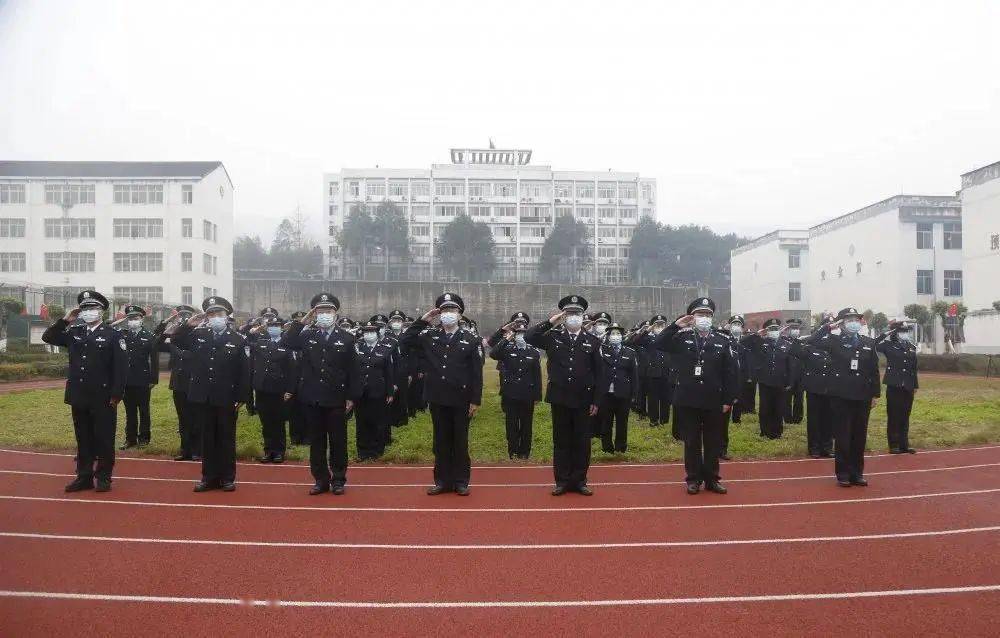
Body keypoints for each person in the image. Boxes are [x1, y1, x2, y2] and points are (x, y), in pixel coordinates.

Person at [41, 290, 128, 493]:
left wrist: (117, 394)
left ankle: (104, 476)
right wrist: (65, 320)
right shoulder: (75, 332)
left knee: (104, 437)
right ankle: (84, 476)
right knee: (83, 437)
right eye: (85, 308)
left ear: (102, 311)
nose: (89, 312)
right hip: (79, 395)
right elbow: (49, 337)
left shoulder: (113, 335)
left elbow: (121, 368)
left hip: (104, 396)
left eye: (93, 308)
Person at [400, 293, 483, 496]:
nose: (448, 314)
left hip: (461, 398)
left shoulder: (471, 339)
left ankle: (461, 481)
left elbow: (476, 373)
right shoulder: (429, 336)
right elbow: (405, 340)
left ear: (460, 314)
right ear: (438, 313)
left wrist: (475, 400)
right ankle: (442, 481)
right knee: (441, 441)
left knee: (460, 441)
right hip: (437, 397)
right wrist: (424, 319)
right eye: (444, 310)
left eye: (452, 310)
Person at [653, 297, 738, 495]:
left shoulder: (722, 340)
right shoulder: (681, 337)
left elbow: (730, 371)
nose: (704, 318)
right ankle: (693, 479)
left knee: (712, 441)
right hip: (687, 399)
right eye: (700, 314)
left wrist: (728, 399)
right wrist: (675, 325)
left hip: (713, 400)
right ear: (692, 316)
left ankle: (712, 479)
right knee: (691, 441)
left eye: (708, 314)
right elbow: (658, 343)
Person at [525, 295, 601, 496]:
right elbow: (529, 336)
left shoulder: (592, 341)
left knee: (582, 442)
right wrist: (551, 321)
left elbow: (599, 372)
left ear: (583, 316)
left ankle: (580, 481)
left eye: (577, 313)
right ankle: (562, 481)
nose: (573, 317)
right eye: (569, 313)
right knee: (561, 441)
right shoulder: (553, 336)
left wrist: (596, 400)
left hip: (584, 399)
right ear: (563, 316)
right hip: (560, 397)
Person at [172, 296, 250, 492]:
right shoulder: (198, 335)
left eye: (219, 314)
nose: (216, 317)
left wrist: (242, 398)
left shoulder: (238, 339)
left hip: (226, 397)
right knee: (207, 438)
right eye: (212, 314)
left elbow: (244, 371)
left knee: (226, 438)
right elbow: (175, 340)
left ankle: (227, 478)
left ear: (227, 316)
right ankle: (208, 477)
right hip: (202, 396)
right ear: (206, 317)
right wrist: (188, 325)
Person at [281, 293, 357, 495]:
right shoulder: (307, 335)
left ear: (336, 313)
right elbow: (287, 342)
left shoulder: (347, 338)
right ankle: (321, 479)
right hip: (311, 398)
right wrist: (303, 321)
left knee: (338, 441)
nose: (325, 314)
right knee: (316, 442)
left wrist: (351, 396)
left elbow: (354, 370)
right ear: (314, 314)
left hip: (336, 399)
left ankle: (338, 479)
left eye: (328, 311)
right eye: (320, 311)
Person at [801, 307, 880, 487]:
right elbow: (808, 343)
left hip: (862, 396)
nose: (854, 322)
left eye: (856, 319)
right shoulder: (833, 341)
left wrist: (875, 394)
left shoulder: (868, 342)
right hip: (841, 395)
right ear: (841, 323)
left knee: (859, 437)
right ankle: (843, 474)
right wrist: (827, 328)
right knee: (843, 436)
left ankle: (857, 473)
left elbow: (873, 370)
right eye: (849, 319)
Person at [489, 313, 542, 459]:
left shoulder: (533, 352)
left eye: (523, 333)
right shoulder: (507, 349)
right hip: (510, 392)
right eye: (518, 333)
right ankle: (512, 449)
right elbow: (493, 353)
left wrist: (537, 395)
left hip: (527, 393)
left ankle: (524, 451)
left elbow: (537, 375)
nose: (521, 335)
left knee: (526, 424)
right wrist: (507, 337)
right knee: (511, 423)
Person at [247, 316, 296, 463]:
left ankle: (279, 451)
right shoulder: (261, 343)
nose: (274, 327)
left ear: (282, 327)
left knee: (278, 421)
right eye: (271, 325)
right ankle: (268, 450)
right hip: (262, 389)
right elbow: (246, 339)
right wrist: (256, 329)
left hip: (279, 390)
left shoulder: (287, 344)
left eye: (276, 325)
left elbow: (292, 371)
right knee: (266, 421)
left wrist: (290, 390)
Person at [154, 305, 200, 461]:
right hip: (179, 384)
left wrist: (187, 327)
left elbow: (186, 339)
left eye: (187, 316)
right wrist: (167, 323)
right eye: (181, 316)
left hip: (194, 383)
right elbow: (157, 342)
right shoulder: (175, 338)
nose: (184, 319)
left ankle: (196, 450)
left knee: (195, 418)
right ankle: (185, 449)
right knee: (183, 418)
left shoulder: (198, 334)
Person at [788, 318, 834, 458]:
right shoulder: (809, 347)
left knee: (828, 419)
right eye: (825, 333)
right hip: (814, 389)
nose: (827, 337)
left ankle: (827, 447)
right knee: (814, 420)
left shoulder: (834, 349)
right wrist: (824, 328)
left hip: (830, 389)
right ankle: (814, 447)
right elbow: (794, 350)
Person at [115, 305, 159, 450]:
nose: (133, 320)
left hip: (143, 380)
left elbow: (154, 360)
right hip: (127, 380)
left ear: (142, 319)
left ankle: (144, 438)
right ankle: (130, 439)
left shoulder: (149, 336)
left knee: (144, 410)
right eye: (131, 318)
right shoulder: (123, 335)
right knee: (130, 411)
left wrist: (153, 379)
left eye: (136, 318)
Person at [742, 318, 794, 439]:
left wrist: (790, 381)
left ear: (780, 330)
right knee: (765, 408)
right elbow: (743, 342)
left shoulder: (786, 344)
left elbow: (790, 365)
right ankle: (765, 432)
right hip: (765, 381)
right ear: (767, 331)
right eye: (771, 329)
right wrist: (758, 334)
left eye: (776, 329)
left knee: (779, 408)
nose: (774, 331)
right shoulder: (761, 342)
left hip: (781, 381)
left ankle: (777, 432)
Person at [353, 320, 396, 460]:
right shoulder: (357, 348)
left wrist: (390, 392)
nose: (369, 334)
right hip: (360, 392)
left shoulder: (384, 349)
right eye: (366, 332)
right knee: (361, 423)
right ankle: (363, 451)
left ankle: (376, 451)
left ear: (377, 334)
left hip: (378, 391)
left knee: (378, 422)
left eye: (372, 332)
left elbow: (389, 372)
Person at [876, 320, 919, 454]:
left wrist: (915, 385)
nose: (904, 334)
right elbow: (874, 344)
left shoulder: (911, 346)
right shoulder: (888, 345)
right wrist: (887, 333)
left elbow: (913, 368)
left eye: (906, 331)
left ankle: (904, 444)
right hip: (894, 385)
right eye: (901, 331)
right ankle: (894, 444)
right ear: (895, 333)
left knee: (905, 416)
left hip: (908, 385)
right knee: (894, 415)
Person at [597, 322, 639, 453]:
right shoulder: (602, 350)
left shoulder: (630, 352)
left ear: (622, 336)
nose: (615, 336)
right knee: (606, 422)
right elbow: (594, 346)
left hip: (623, 393)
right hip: (606, 393)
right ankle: (607, 448)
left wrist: (634, 394)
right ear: (608, 336)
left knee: (622, 422)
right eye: (612, 334)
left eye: (618, 334)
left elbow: (634, 375)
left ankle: (621, 447)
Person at [627, 315, 672, 427]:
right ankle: (654, 420)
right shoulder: (648, 339)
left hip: (666, 371)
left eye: (662, 325)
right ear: (653, 326)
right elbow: (635, 341)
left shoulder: (668, 338)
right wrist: (647, 331)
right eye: (657, 325)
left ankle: (664, 420)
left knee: (665, 398)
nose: (660, 327)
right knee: (653, 398)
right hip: (653, 371)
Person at [720, 314, 748, 460]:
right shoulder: (722, 338)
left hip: (731, 385)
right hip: (717, 385)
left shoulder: (741, 343)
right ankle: (712, 448)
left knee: (724, 422)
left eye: (738, 324)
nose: (735, 327)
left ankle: (722, 449)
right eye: (733, 324)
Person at [285, 311, 309, 446]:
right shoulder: (289, 340)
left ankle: (308, 437)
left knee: (308, 412)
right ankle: (295, 437)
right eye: (298, 320)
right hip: (292, 383)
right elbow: (287, 341)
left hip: (308, 382)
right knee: (294, 412)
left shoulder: (311, 336)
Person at [783, 318, 805, 424]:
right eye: (793, 328)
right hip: (787, 374)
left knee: (799, 398)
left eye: (797, 328)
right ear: (788, 329)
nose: (795, 330)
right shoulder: (783, 342)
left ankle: (797, 417)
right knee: (786, 398)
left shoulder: (802, 342)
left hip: (800, 375)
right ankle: (787, 418)